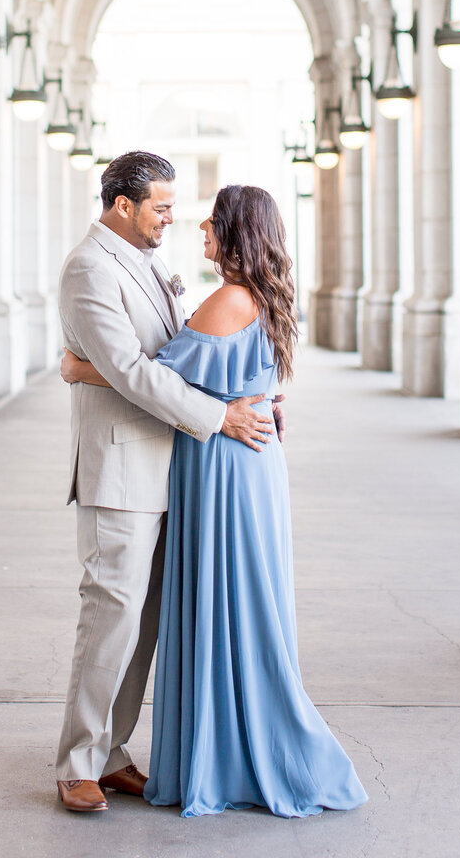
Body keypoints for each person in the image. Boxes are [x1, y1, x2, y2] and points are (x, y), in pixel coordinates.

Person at [63, 184, 368, 818]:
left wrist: (80, 368)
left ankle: (142, 752)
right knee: (150, 611)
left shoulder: (225, 296)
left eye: (205, 223)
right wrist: (233, 405)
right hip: (190, 461)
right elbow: (161, 372)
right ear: (124, 204)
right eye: (166, 209)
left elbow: (158, 373)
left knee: (202, 609)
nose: (187, 227)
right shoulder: (104, 267)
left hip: (218, 467)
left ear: (234, 234)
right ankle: (89, 760)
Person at [54, 153, 276, 813]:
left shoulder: (146, 261)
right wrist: (219, 414)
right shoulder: (89, 268)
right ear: (123, 206)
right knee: (111, 617)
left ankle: (113, 752)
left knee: (146, 624)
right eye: (161, 207)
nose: (172, 219)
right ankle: (76, 762)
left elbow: (176, 351)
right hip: (122, 471)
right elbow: (130, 369)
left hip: (171, 465)